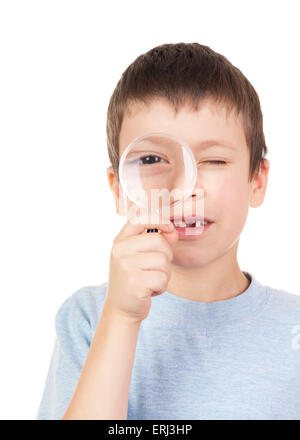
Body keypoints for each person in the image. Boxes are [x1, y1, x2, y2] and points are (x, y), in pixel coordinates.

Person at [36, 42, 300, 420]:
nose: (182, 187)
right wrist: (122, 317)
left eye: (214, 160)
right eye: (152, 159)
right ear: (118, 189)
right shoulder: (90, 317)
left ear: (257, 181)